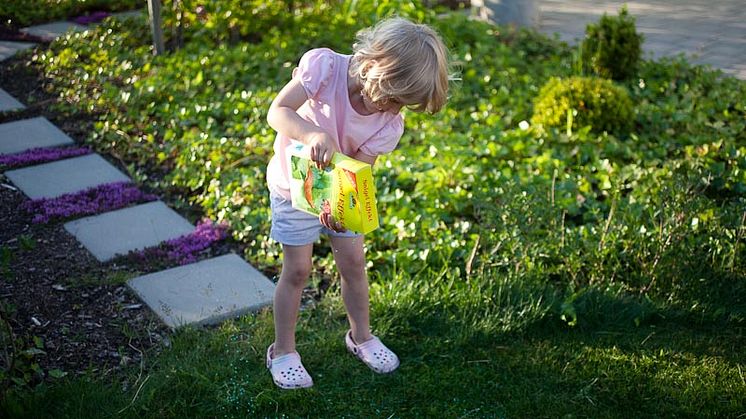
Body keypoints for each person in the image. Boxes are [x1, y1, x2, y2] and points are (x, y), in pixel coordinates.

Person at [264, 16, 451, 389]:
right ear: (375, 68)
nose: (396, 110)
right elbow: (277, 113)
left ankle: (361, 336)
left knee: (353, 264)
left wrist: (339, 205)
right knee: (298, 271)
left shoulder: (389, 122)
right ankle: (283, 350)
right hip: (294, 189)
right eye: (395, 99)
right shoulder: (325, 68)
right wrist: (312, 133)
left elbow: (360, 170)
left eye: (403, 105)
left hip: (339, 197)